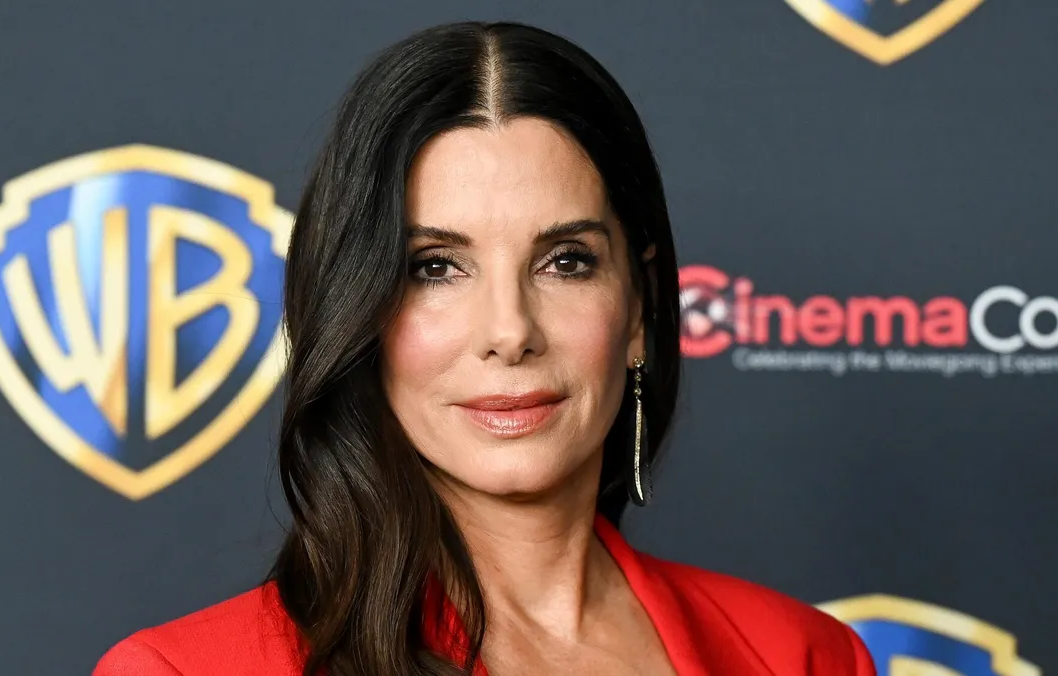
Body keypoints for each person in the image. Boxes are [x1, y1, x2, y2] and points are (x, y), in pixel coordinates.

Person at [94, 20, 874, 676]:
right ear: (357, 312)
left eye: (566, 260)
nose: (509, 331)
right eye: (435, 268)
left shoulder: (802, 655)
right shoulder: (186, 669)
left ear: (637, 310)